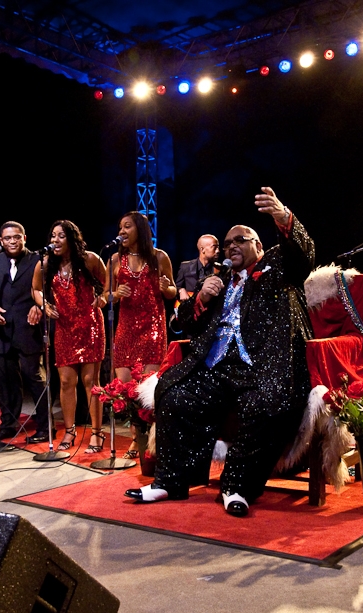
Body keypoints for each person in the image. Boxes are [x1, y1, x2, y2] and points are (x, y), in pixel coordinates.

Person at [125, 187, 315, 517]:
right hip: (218, 366)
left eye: (239, 240)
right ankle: (169, 481)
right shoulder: (220, 279)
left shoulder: (278, 266)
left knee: (270, 401)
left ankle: (236, 486)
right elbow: (184, 324)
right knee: (172, 390)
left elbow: (304, 256)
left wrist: (282, 216)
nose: (231, 246)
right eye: (227, 243)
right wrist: (201, 298)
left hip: (264, 367)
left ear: (258, 245)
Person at [0, 222, 49, 450]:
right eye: (8, 238)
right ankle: (8, 423)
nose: (12, 242)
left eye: (17, 237)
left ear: (24, 237)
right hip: (1, 332)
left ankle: (45, 426)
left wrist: (41, 307)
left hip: (29, 329)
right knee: (5, 380)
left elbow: (49, 290)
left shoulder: (37, 260)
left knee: (34, 377)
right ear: (1, 240)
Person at [32, 220, 108, 453]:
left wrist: (103, 299)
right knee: (66, 382)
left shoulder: (91, 259)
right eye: (52, 236)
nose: (55, 240)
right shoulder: (45, 264)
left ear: (71, 239)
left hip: (90, 326)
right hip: (64, 328)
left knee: (90, 383)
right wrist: (44, 304)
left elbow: (106, 287)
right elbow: (35, 289)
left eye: (60, 236)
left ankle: (97, 433)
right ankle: (70, 429)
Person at [108, 211, 177, 458]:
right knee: (126, 390)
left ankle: (151, 442)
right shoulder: (115, 259)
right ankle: (135, 440)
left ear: (140, 229)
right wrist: (116, 295)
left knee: (147, 389)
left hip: (152, 328)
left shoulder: (159, 257)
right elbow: (106, 296)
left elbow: (173, 292)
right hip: (126, 329)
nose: (122, 231)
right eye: (120, 227)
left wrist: (166, 288)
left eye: (127, 226)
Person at [175, 234, 220, 302]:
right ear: (202, 249)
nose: (218, 251)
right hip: (189, 310)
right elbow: (175, 288)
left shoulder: (220, 269)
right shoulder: (185, 267)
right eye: (214, 247)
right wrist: (181, 290)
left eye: (218, 247)